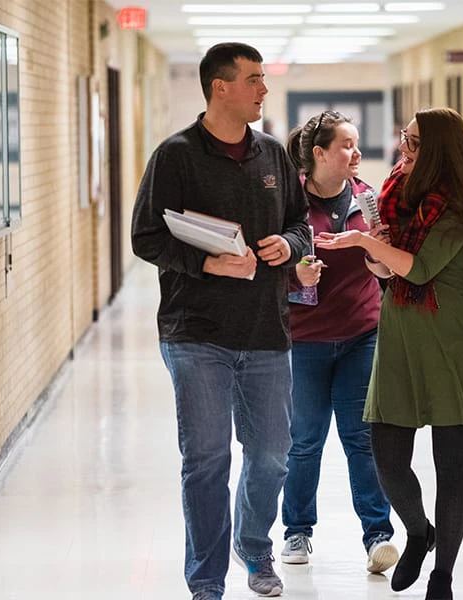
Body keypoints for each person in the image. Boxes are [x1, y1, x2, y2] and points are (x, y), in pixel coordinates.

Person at [131, 42, 310, 600]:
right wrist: (207, 261)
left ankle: (254, 548)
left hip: (265, 330)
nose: (263, 89)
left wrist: (288, 243)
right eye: (253, 79)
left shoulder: (273, 155)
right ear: (220, 87)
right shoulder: (176, 155)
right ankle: (206, 580)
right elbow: (146, 237)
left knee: (272, 455)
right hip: (195, 332)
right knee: (206, 459)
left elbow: (301, 225)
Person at [315, 107, 463, 600]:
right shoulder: (395, 195)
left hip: (450, 342)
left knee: (451, 466)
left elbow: (420, 270)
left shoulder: (458, 208)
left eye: (416, 141)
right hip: (401, 336)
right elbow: (390, 273)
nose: (404, 146)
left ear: (440, 152)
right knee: (386, 455)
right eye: (406, 136)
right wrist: (376, 253)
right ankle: (419, 531)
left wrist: (363, 241)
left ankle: (443, 573)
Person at [279, 110, 398, 573]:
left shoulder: (368, 199)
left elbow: (386, 264)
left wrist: (377, 260)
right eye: (346, 145)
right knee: (304, 440)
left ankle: (378, 536)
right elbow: (269, 267)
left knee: (362, 438)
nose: (356, 153)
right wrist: (295, 275)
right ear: (319, 154)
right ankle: (297, 532)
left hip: (360, 336)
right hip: (305, 340)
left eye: (356, 143)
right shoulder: (289, 205)